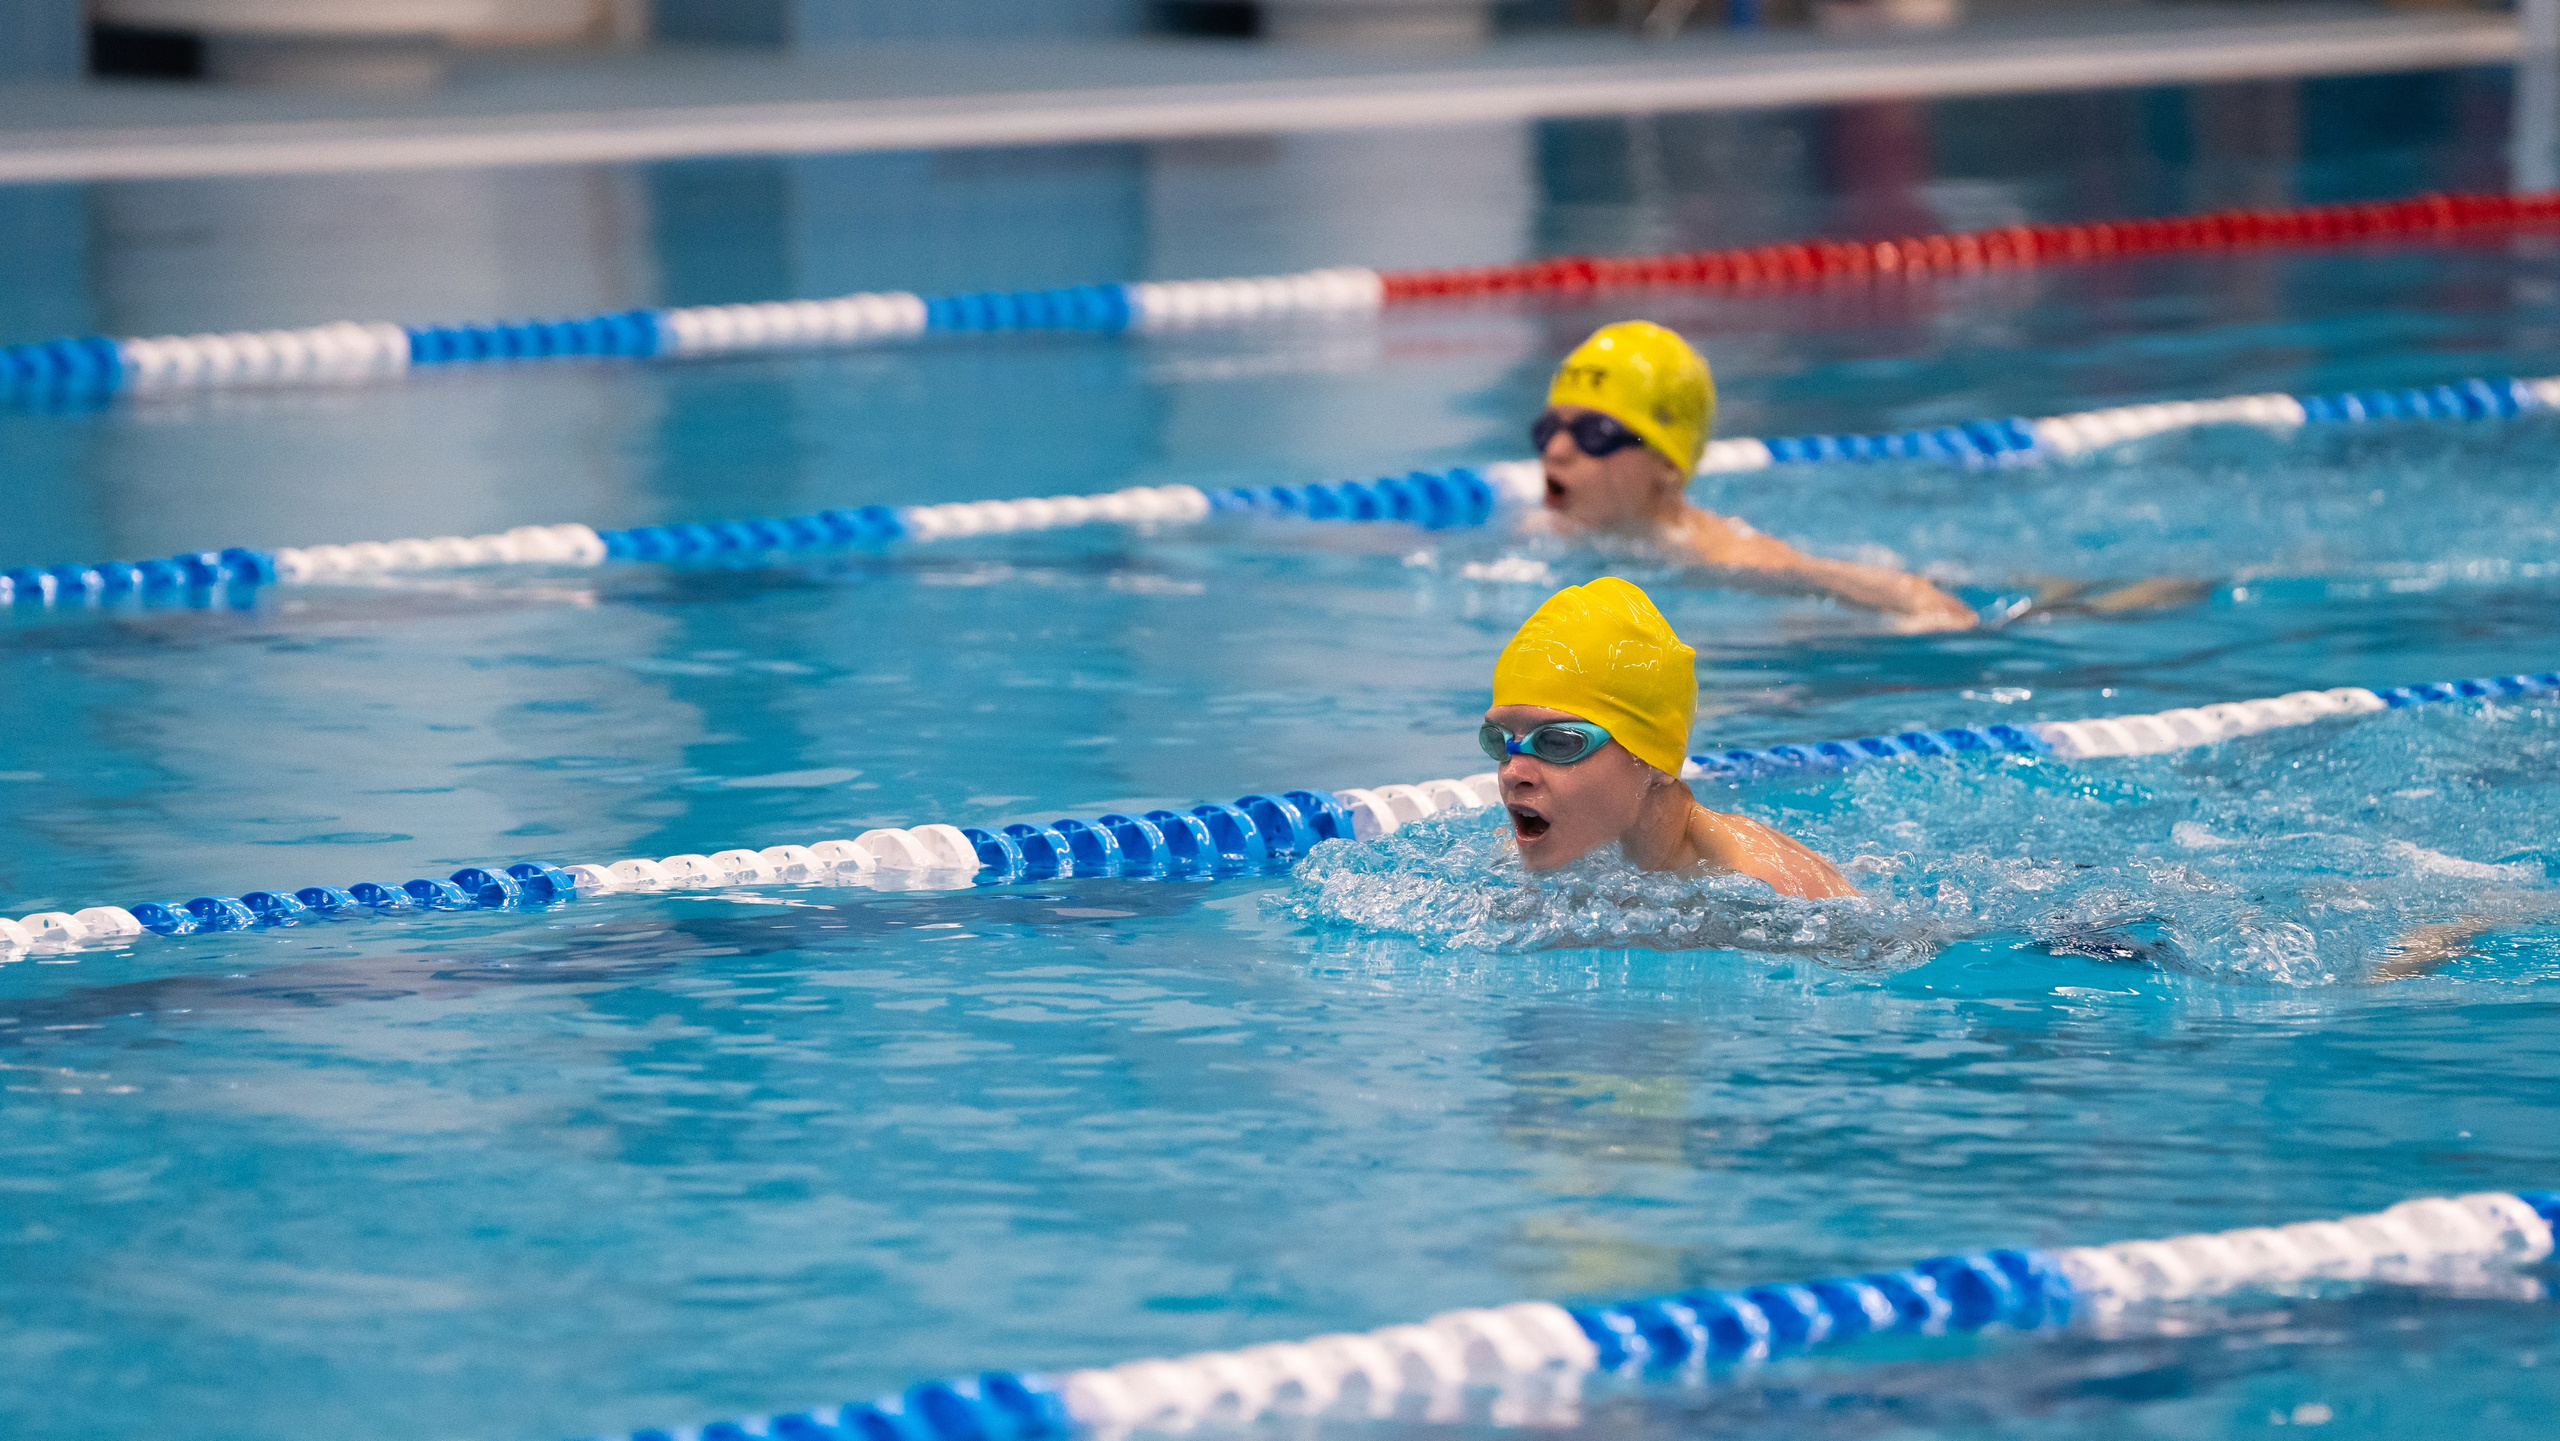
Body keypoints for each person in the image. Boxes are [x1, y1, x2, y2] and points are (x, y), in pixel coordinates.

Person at [1526, 320, 1980, 632]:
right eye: (1549, 429)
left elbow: (1913, 598)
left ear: (1667, 464)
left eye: (1594, 433)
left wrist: (1924, 609)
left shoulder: (1716, 554)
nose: (1556, 451)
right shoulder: (1538, 531)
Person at [1482, 576, 1857, 900]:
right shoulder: (1508, 862)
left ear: (1652, 757)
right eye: (1500, 741)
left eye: (1557, 743)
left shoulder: (1775, 887)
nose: (1513, 773)